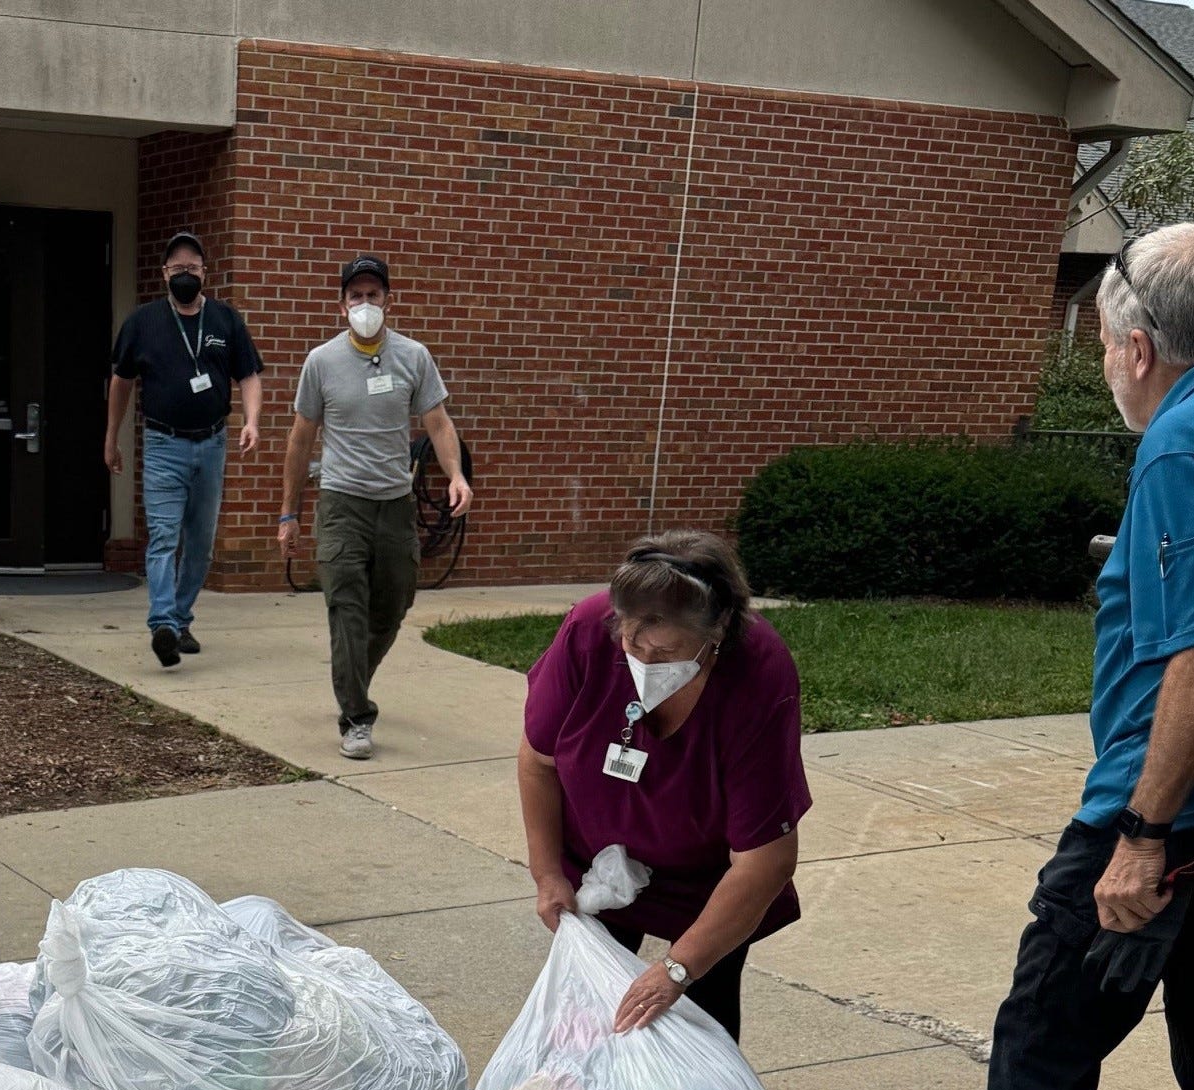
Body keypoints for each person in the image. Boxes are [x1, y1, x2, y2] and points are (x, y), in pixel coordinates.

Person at [913, 223, 1194, 1090]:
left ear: (1138, 349)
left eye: (1103, 341)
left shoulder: (1179, 446)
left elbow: (1193, 660)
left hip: (1159, 820)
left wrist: (1143, 832)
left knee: (1046, 1034)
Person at [518, 531, 812, 1043]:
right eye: (633, 644)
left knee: (703, 1023)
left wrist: (678, 968)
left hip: (709, 880)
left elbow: (765, 860)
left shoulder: (759, 675)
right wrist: (547, 873)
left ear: (718, 629)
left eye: (667, 651)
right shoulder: (589, 630)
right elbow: (537, 763)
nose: (645, 663)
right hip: (598, 866)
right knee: (582, 1021)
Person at [279, 255, 472, 758]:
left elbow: (437, 422)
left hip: (395, 504)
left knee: (393, 604)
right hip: (341, 503)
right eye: (356, 296)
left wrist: (456, 475)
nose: (365, 304)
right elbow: (300, 439)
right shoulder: (321, 362)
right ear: (341, 306)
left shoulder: (413, 357)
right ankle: (356, 717)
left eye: (373, 295)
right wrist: (289, 513)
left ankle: (351, 677)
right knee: (347, 609)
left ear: (389, 301)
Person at [104, 232, 265, 667]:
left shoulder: (226, 321)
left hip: (212, 443)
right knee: (163, 537)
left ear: (204, 273)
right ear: (164, 274)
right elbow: (121, 382)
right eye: (177, 269)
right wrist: (111, 437)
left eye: (192, 268)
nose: (185, 275)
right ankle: (163, 624)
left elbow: (249, 375)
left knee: (200, 546)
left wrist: (251, 421)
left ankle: (179, 619)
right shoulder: (143, 322)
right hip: (163, 444)